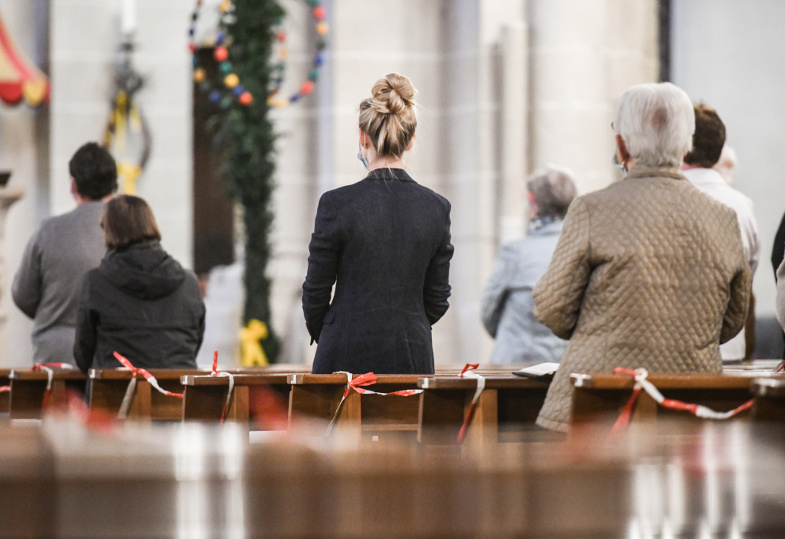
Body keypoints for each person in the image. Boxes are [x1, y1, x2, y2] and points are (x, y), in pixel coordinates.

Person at [532, 82, 752, 432]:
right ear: (687, 143)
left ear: (621, 145)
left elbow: (553, 309)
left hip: (603, 406)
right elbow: (733, 321)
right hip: (691, 407)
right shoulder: (724, 219)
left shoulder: (592, 209)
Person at [302, 73, 453, 375]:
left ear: (362, 136)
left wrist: (334, 334)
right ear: (411, 140)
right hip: (411, 354)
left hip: (342, 353)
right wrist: (407, 326)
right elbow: (437, 298)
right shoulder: (436, 207)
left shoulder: (336, 204)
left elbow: (315, 292)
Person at [12, 142, 117, 365]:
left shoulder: (48, 231)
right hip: (109, 354)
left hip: (56, 356)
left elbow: (23, 295)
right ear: (114, 186)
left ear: (73, 186)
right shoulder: (126, 231)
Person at [73, 195, 205, 372]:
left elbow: (83, 356)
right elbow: (193, 343)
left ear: (110, 231)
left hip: (115, 396)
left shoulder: (96, 282)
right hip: (178, 395)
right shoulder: (188, 283)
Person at [681, 105, 759, 362]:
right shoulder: (742, 204)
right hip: (729, 346)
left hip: (678, 349)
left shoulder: (666, 198)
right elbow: (748, 272)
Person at [480, 167, 577, 364]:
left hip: (514, 366)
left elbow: (489, 313)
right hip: (565, 366)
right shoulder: (581, 251)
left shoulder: (515, 253)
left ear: (532, 201)